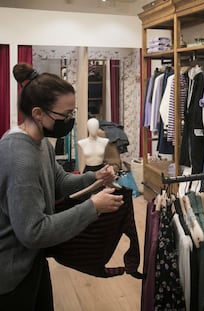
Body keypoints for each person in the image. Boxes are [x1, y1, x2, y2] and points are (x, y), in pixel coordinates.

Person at [0, 63, 125, 310]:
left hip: (32, 262)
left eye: (72, 113)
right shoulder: (19, 157)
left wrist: (95, 177)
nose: (69, 121)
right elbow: (33, 231)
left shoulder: (41, 142)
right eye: (65, 115)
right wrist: (93, 207)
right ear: (38, 113)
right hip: (11, 274)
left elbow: (60, 182)